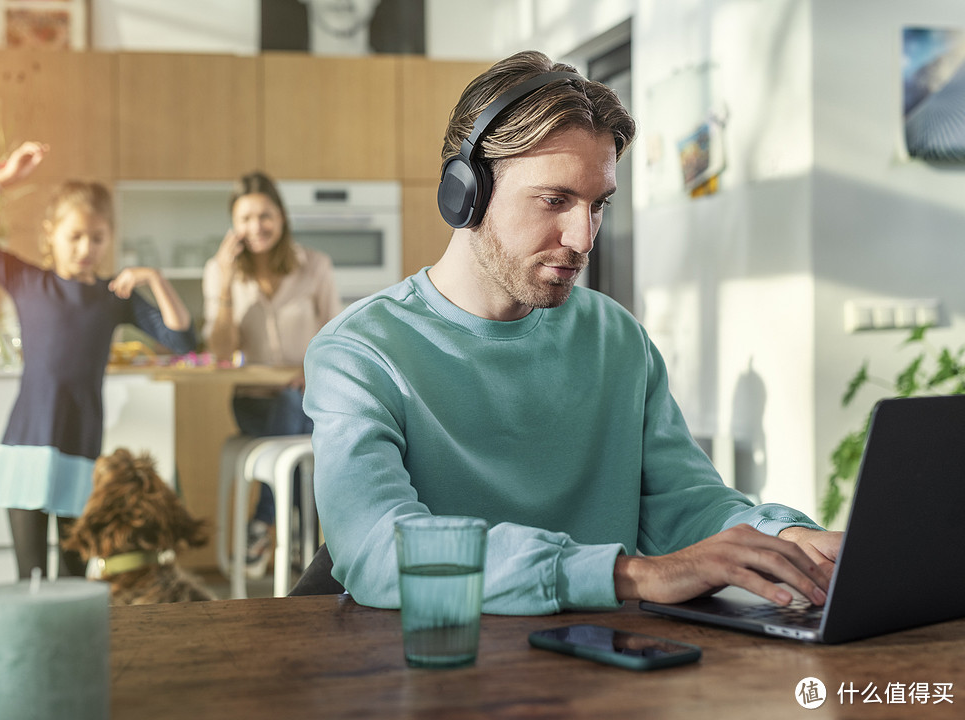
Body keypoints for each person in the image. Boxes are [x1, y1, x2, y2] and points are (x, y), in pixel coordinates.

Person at [302, 50, 842, 615]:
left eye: (598, 205)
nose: (583, 238)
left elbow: (684, 503)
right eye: (555, 201)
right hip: (441, 668)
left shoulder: (617, 338)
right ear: (466, 194)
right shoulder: (359, 354)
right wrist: (626, 575)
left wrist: (783, 541)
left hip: (605, 668)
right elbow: (378, 548)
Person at [0, 141, 196, 580]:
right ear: (50, 232)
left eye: (97, 237)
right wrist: (3, 179)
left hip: (82, 451)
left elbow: (183, 341)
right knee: (29, 580)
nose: (86, 247)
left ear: (110, 237)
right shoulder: (24, 279)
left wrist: (154, 279)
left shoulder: (114, 298)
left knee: (73, 581)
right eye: (75, 236)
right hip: (26, 446)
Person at [202, 171, 340, 578]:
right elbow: (222, 352)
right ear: (234, 224)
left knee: (293, 403)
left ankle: (262, 523)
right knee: (286, 407)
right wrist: (226, 286)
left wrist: (306, 369)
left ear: (281, 217)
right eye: (245, 218)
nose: (256, 226)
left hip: (308, 399)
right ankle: (305, 538)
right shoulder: (220, 270)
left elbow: (336, 335)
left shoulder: (314, 266)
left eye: (265, 215)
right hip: (253, 403)